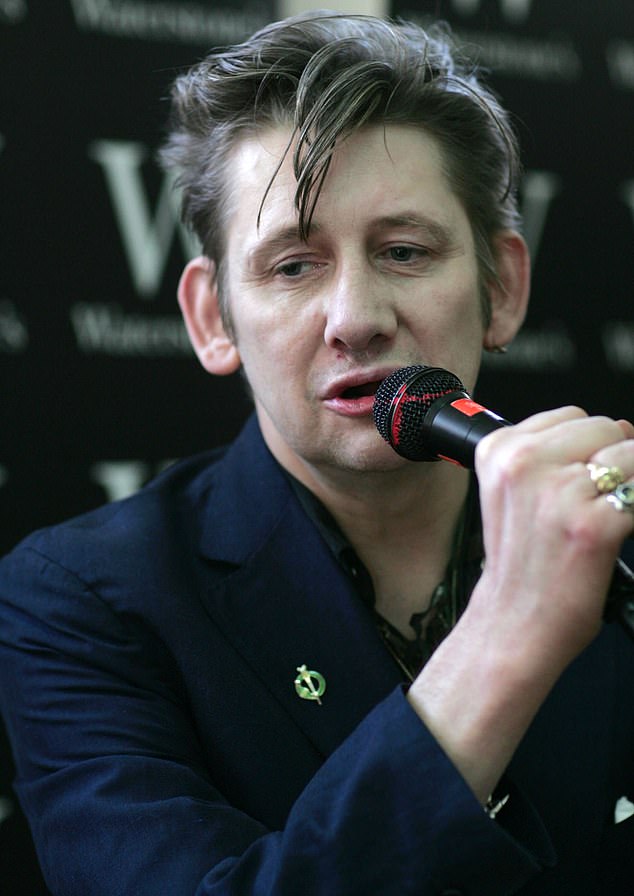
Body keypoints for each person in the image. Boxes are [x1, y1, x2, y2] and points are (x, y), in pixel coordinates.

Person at [1, 11, 634, 895]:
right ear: (211, 319)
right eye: (293, 266)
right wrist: (508, 634)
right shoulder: (79, 600)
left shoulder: (612, 531)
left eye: (404, 252)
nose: (356, 319)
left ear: (504, 287)